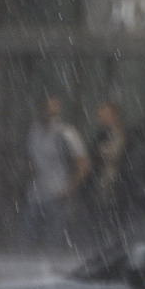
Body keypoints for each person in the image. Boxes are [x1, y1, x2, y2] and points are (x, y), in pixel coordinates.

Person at [22, 95, 90, 250]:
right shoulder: (34, 131)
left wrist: (70, 188)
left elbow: (84, 163)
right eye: (47, 107)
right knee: (28, 238)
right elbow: (31, 160)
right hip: (35, 193)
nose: (49, 111)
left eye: (54, 107)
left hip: (58, 192)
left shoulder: (67, 133)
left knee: (53, 240)